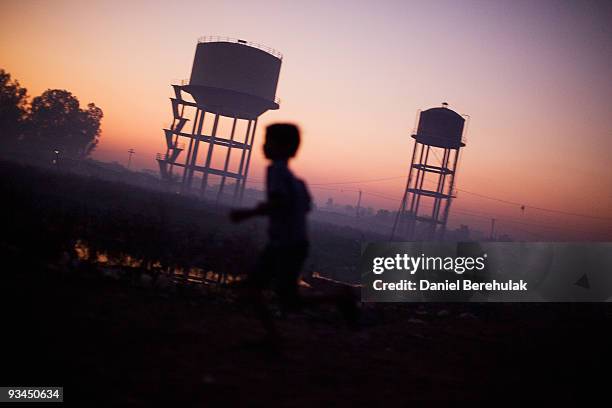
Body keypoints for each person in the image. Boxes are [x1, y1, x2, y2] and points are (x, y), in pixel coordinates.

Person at [231, 123, 358, 341]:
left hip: (286, 244)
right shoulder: (294, 180)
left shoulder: (277, 172)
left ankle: (340, 297)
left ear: (284, 146)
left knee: (279, 297)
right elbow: (306, 206)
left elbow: (279, 202)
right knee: (268, 293)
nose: (264, 146)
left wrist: (248, 213)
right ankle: (272, 340)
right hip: (290, 242)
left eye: (268, 141)